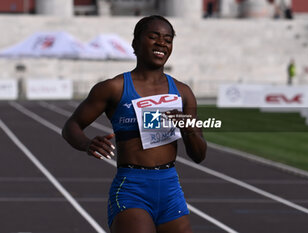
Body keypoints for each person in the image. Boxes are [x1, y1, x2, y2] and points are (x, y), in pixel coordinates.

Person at [62, 15, 207, 233]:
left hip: (170, 187)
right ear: (135, 44)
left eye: (168, 39)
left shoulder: (183, 92)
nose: (162, 43)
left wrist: (189, 129)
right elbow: (71, 126)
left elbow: (199, 155)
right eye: (154, 37)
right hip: (132, 187)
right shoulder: (114, 88)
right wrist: (87, 144)